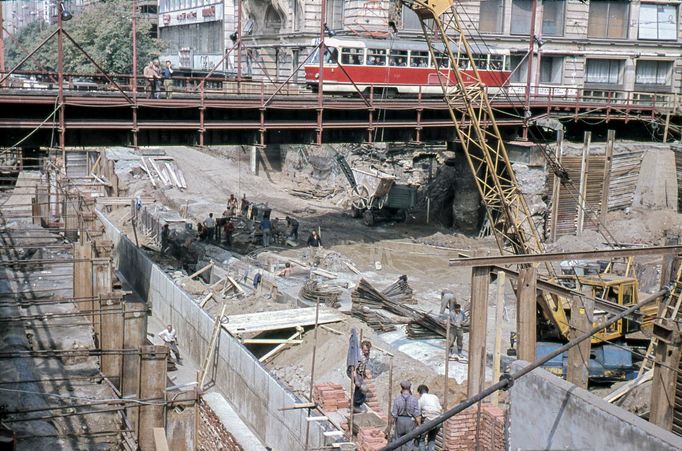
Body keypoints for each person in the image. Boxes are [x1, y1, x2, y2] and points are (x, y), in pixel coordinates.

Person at [390, 381, 420, 451]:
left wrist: (391, 425)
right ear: (409, 388)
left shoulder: (397, 399)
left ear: (401, 388)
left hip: (399, 421)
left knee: (397, 440)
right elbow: (417, 415)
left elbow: (394, 414)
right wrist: (419, 424)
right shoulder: (414, 399)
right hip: (410, 421)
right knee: (410, 441)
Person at [417, 385, 442, 451]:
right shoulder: (434, 397)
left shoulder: (420, 399)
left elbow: (418, 415)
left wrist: (419, 426)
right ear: (427, 391)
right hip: (438, 420)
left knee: (421, 439)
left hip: (429, 420)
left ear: (419, 392)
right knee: (432, 439)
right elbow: (440, 408)